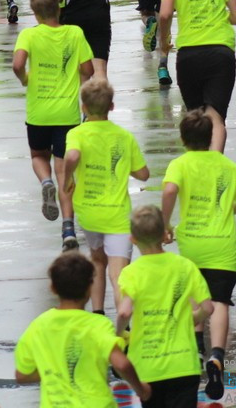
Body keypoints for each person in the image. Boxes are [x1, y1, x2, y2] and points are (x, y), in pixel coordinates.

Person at [161, 109, 236, 400]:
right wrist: (224, 209)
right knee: (221, 301)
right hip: (223, 245)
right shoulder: (228, 166)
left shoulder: (179, 164)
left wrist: (164, 223)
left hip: (193, 243)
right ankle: (217, 356)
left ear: (183, 138)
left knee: (194, 295)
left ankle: (198, 345)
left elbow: (171, 189)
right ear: (211, 136)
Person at [12, 0, 94, 251]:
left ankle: (44, 181)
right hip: (67, 114)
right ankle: (68, 229)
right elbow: (88, 70)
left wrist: (26, 79)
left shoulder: (29, 35)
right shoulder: (74, 33)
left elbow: (17, 64)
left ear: (35, 14)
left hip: (39, 111)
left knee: (38, 156)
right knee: (65, 173)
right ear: (59, 8)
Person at [15, 252, 150, 405]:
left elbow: (22, 375)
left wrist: (55, 369)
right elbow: (121, 364)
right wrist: (141, 390)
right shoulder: (98, 324)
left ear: (53, 288)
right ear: (89, 286)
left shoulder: (38, 326)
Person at [116, 205, 214, 408]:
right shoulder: (185, 266)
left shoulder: (131, 272)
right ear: (164, 234)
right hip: (184, 365)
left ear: (132, 239)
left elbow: (125, 311)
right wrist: (192, 318)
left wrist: (117, 333)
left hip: (149, 367)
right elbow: (208, 308)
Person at [62, 78, 149, 305]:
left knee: (97, 261)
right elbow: (143, 174)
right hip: (117, 215)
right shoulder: (124, 137)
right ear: (111, 107)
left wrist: (66, 179)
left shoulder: (76, 134)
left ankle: (99, 313)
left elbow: (72, 156)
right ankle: (124, 325)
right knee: (119, 274)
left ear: (83, 107)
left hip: (89, 212)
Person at [158, 0, 236, 152]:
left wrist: (164, 41)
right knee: (216, 117)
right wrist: (217, 17)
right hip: (221, 51)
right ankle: (215, 163)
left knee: (196, 117)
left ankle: (199, 165)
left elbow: (166, 14)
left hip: (189, 54)